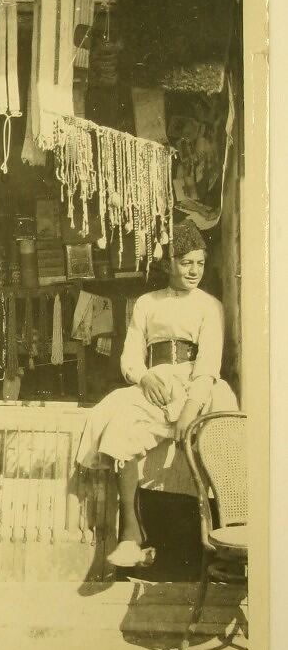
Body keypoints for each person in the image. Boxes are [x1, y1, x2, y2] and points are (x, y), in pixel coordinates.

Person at [75, 219, 238, 568]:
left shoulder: (210, 306)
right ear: (168, 264)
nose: (194, 270)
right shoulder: (147, 303)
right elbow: (130, 356)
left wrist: (189, 411)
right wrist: (145, 377)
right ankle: (131, 535)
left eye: (199, 263)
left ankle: (227, 534)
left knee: (222, 422)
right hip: (157, 382)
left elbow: (209, 362)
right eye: (186, 262)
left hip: (197, 383)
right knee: (120, 418)